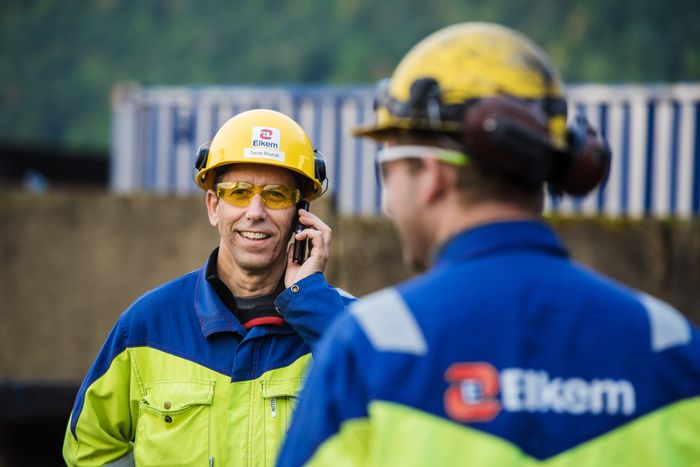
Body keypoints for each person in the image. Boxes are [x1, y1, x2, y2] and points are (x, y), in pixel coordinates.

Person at [277, 22, 700, 466]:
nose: (386, 204)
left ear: (432, 175)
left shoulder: (370, 352)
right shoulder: (671, 351)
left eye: (388, 170)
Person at [63, 109, 355, 466]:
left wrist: (312, 306)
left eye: (277, 195)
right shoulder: (147, 325)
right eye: (238, 192)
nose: (255, 211)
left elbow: (393, 420)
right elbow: (89, 450)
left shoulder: (344, 324)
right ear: (214, 206)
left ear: (301, 214)